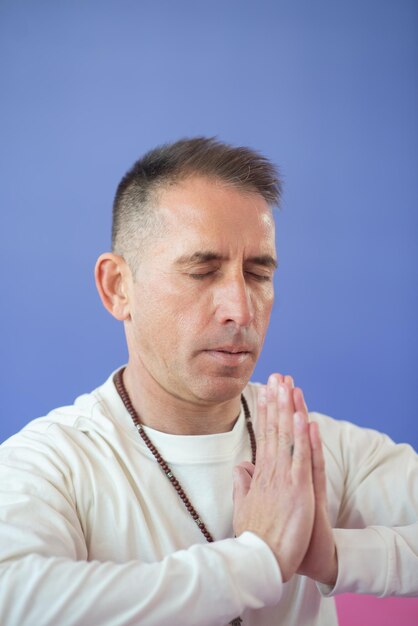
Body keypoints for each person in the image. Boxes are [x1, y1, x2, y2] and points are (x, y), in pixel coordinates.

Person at [0, 137, 417, 626]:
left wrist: (332, 556)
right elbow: (16, 599)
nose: (240, 310)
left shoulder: (311, 449)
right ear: (118, 288)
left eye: (258, 273)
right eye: (202, 271)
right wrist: (258, 561)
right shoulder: (50, 463)